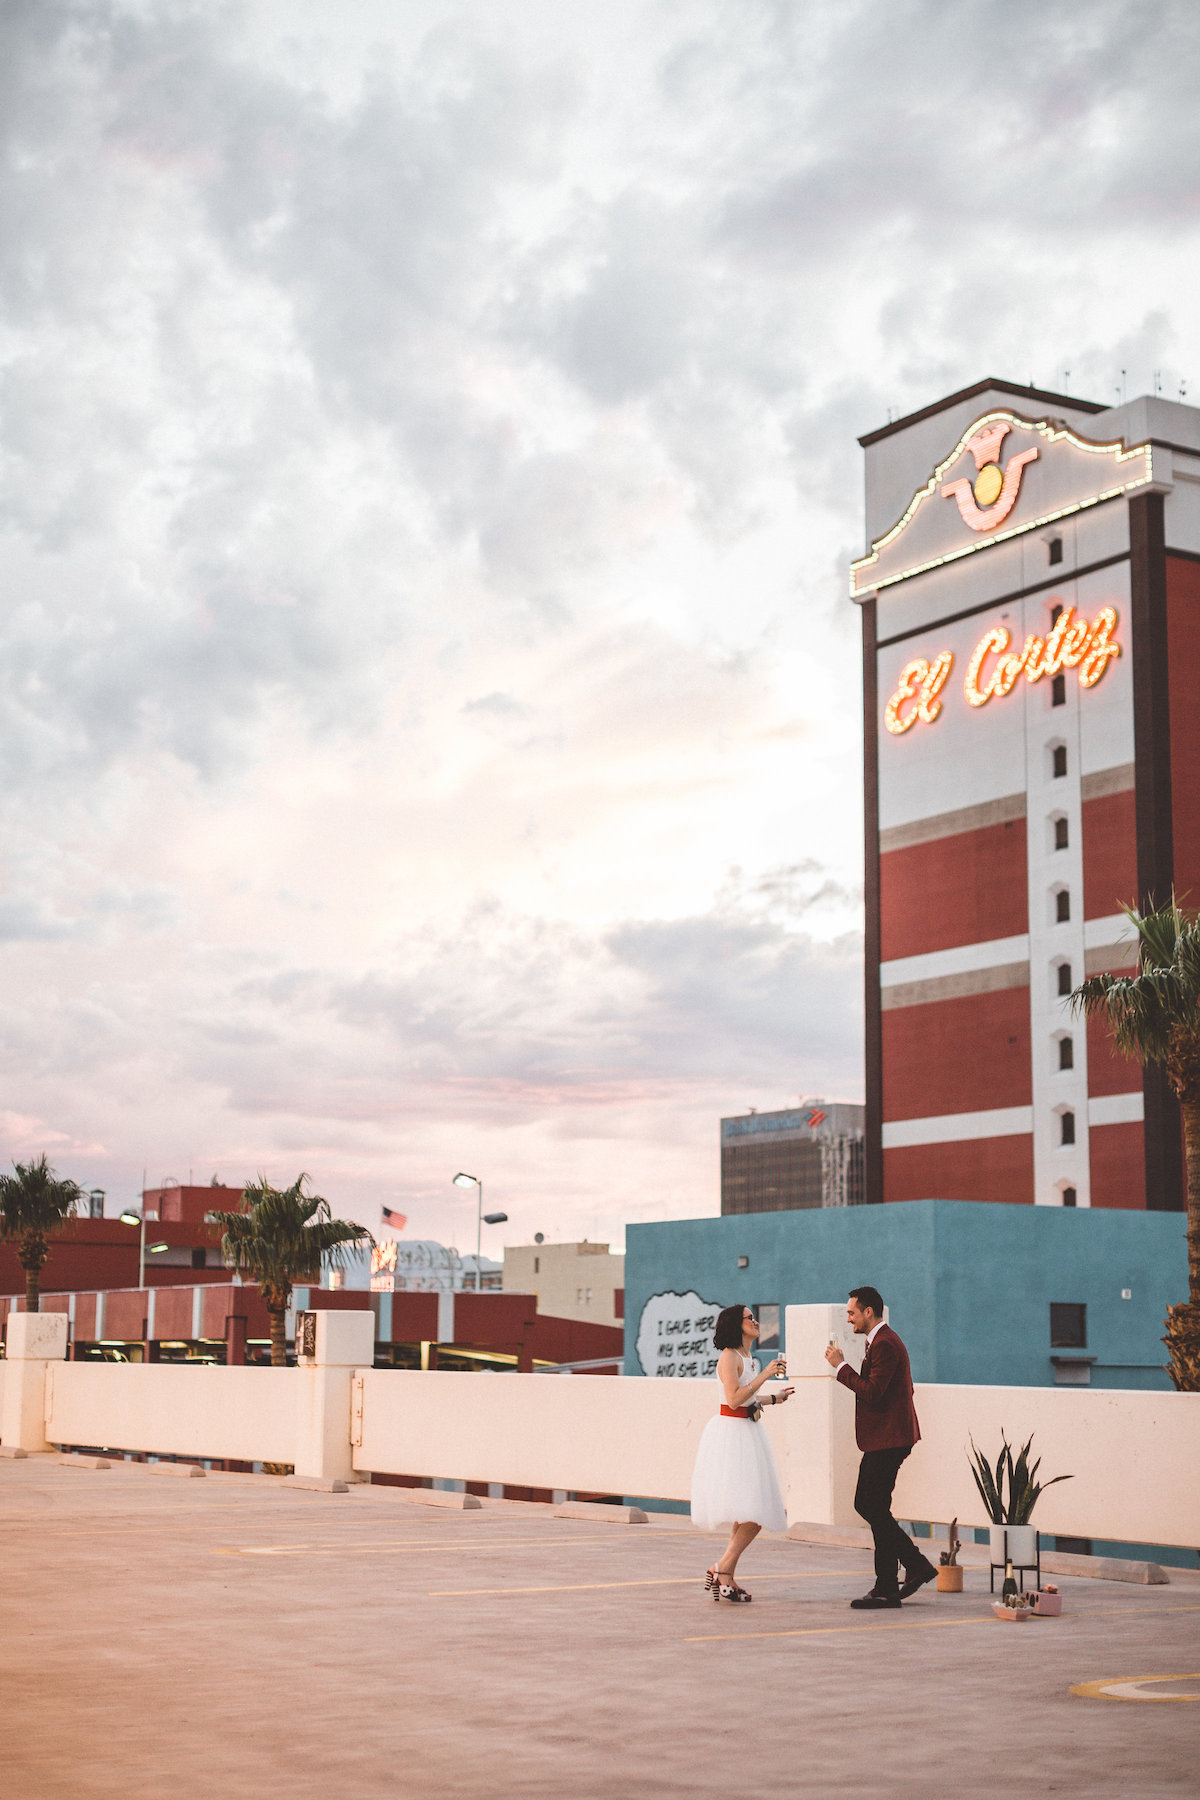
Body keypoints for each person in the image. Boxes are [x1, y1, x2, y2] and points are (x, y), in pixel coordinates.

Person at [823, 1286, 936, 1610]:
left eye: (851, 1313)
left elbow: (873, 1392)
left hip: (889, 1439)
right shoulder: (881, 1341)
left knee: (868, 1505)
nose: (848, 1319)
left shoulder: (885, 1343)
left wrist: (841, 1367)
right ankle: (888, 1583)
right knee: (874, 1508)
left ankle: (912, 1567)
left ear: (868, 1312)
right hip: (886, 1438)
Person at [690, 1303, 795, 1601]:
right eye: (750, 1318)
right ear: (737, 1325)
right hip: (733, 1436)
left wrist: (775, 1398)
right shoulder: (729, 1357)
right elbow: (734, 1399)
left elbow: (748, 1398)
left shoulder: (747, 1357)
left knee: (745, 1510)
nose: (756, 1321)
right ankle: (721, 1567)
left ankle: (726, 1576)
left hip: (747, 1433)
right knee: (753, 1512)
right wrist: (766, 1376)